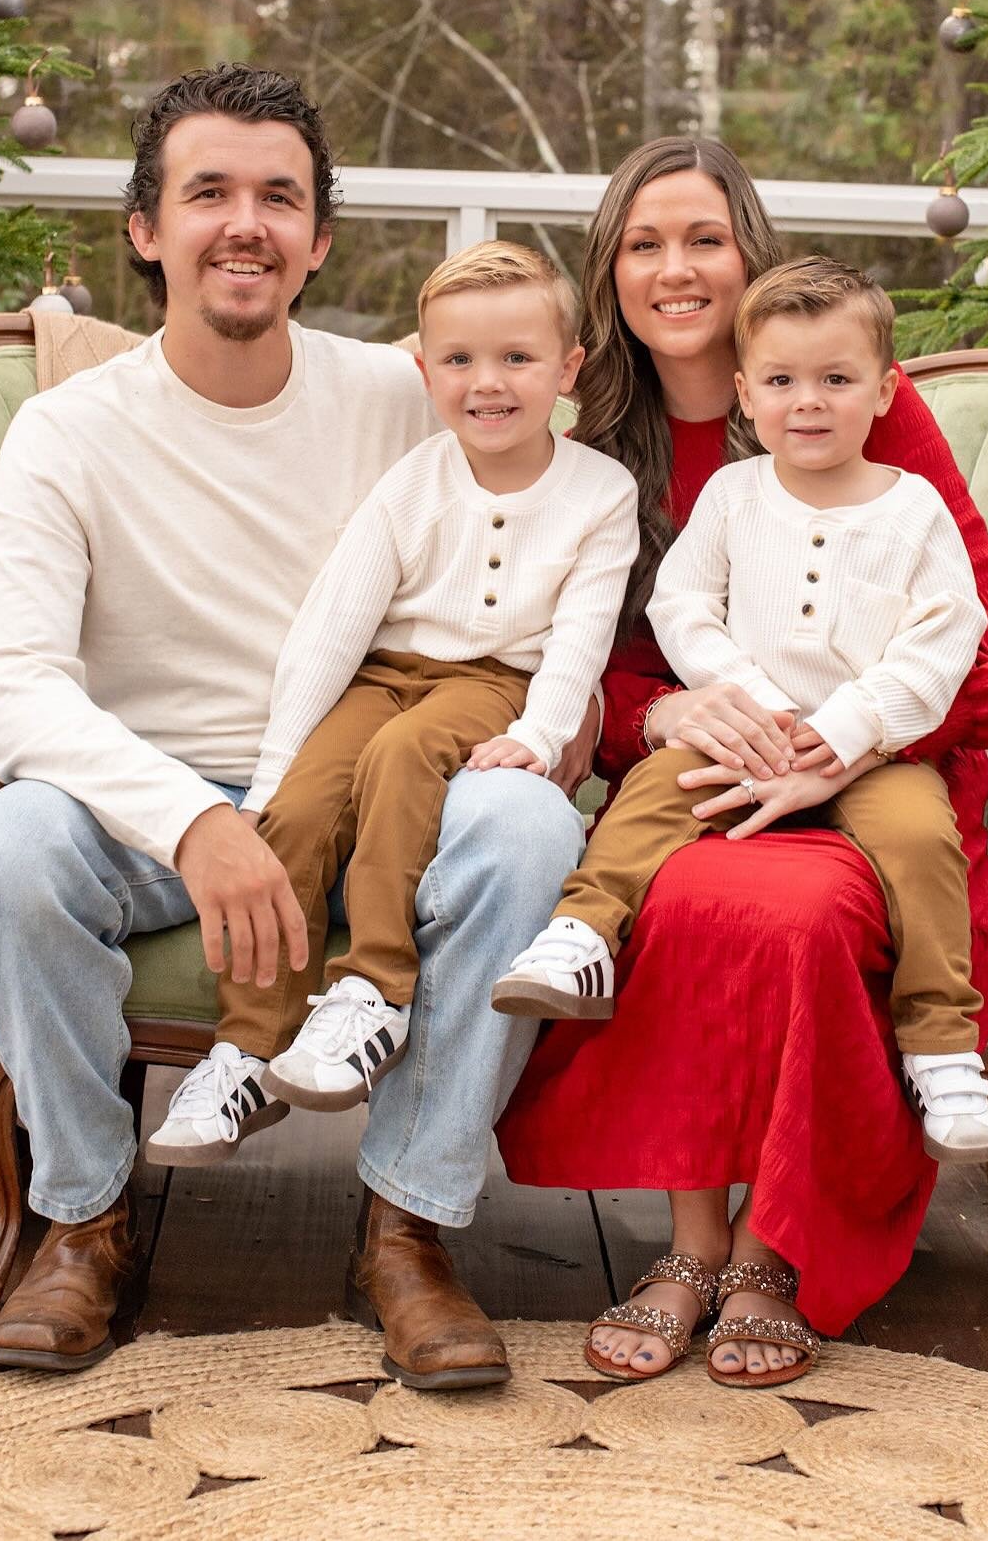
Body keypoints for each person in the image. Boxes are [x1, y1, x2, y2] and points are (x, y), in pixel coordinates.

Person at [0, 66, 590, 1386]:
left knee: (525, 820)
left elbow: (550, 524)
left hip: (365, 770)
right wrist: (193, 820)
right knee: (10, 848)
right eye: (208, 192)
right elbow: (5, 687)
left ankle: (405, 1224)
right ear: (145, 229)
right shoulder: (64, 431)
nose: (244, 222)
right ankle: (84, 1215)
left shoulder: (401, 395)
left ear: (318, 240)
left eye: (277, 197)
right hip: (139, 802)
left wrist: (559, 711)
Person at [495, 137, 988, 1389]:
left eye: (703, 238)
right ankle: (686, 1241)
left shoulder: (857, 411)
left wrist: (837, 740)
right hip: (706, 776)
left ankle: (766, 1252)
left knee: (790, 915)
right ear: (609, 271)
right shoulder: (591, 442)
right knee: (683, 895)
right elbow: (583, 666)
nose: (674, 268)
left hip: (872, 783)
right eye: (643, 243)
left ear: (752, 255)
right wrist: (674, 718)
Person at [500, 252, 988, 1169]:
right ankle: (579, 932)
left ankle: (940, 1043)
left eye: (835, 380)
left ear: (886, 391)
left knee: (923, 844)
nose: (806, 401)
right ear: (745, 393)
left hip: (872, 751)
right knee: (653, 795)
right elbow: (682, 608)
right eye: (781, 381)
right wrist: (755, 705)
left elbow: (947, 637)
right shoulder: (734, 496)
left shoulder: (916, 510)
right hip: (743, 730)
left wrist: (849, 726)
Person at [140, 242, 635, 1127]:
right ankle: (247, 1049)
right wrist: (273, 770)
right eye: (458, 360)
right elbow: (332, 628)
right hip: (382, 674)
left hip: (495, 682)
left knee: (404, 759)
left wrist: (545, 731)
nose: (487, 383)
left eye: (517, 358)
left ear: (568, 368)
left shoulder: (600, 492)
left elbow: (580, 637)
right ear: (425, 371)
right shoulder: (412, 483)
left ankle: (374, 987)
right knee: (298, 811)